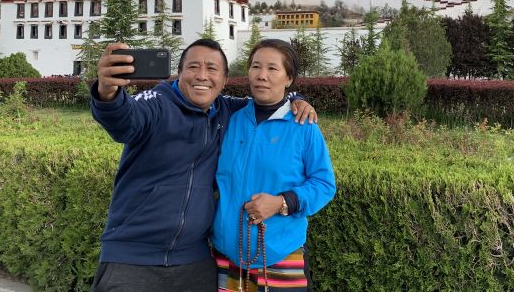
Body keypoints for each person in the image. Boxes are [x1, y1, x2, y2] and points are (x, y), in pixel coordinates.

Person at [90, 39, 317, 292]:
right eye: (193, 67)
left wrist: (297, 98)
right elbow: (124, 120)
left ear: (224, 79)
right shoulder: (156, 102)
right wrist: (107, 92)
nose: (202, 76)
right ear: (180, 73)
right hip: (132, 257)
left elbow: (271, 100)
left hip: (193, 260)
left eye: (212, 69)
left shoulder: (227, 110)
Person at [211, 39, 336, 291]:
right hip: (225, 253)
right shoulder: (231, 119)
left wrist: (281, 202)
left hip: (279, 255)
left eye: (272, 68)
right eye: (256, 67)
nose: (262, 76)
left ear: (288, 78)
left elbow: (324, 184)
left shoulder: (303, 126)